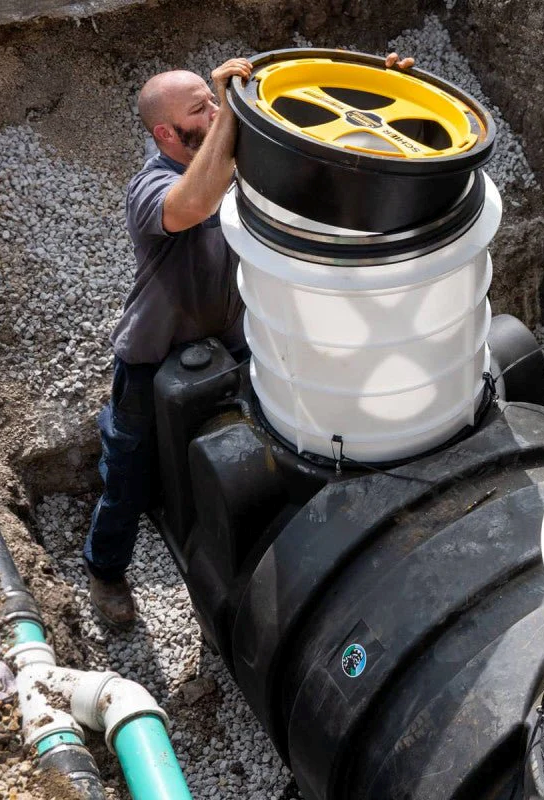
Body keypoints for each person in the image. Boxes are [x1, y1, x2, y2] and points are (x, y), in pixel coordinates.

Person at [84, 53, 415, 630]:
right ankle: (105, 570)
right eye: (201, 109)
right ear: (167, 132)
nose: (215, 112)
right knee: (127, 474)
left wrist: (382, 99)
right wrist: (232, 117)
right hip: (152, 349)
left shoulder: (236, 162)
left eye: (214, 103)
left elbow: (314, 149)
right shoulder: (151, 188)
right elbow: (195, 202)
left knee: (271, 439)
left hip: (237, 340)